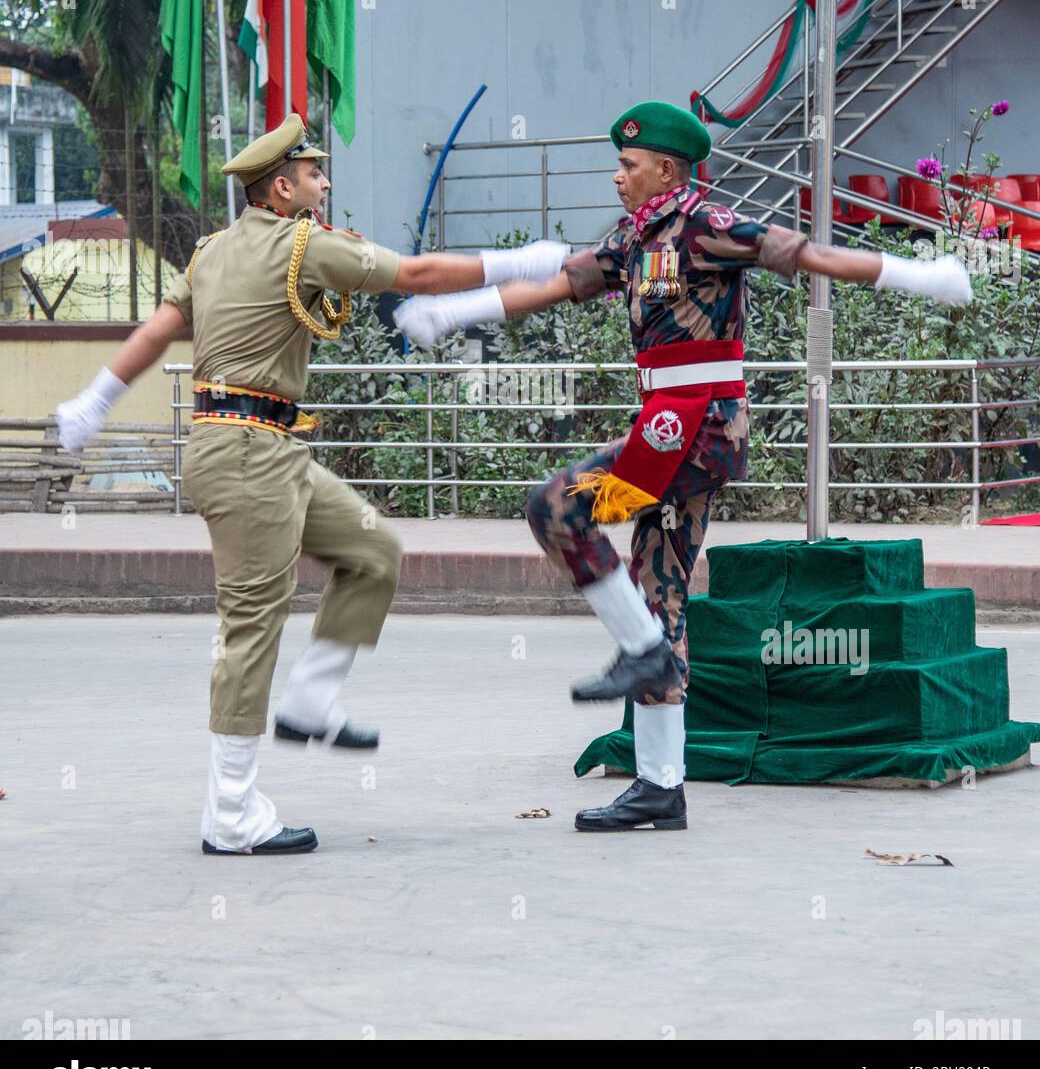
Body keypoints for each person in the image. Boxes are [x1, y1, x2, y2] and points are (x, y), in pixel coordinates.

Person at [395, 100, 971, 833]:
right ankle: (660, 787)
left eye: (629, 166)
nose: (617, 177)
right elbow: (556, 283)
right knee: (658, 591)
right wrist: (455, 313)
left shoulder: (705, 225)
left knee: (557, 509)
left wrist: (919, 277)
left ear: (666, 169)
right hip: (670, 429)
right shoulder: (637, 239)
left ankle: (639, 653)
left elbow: (804, 253)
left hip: (695, 428)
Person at [56, 114, 568, 856]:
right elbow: (416, 274)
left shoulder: (210, 253)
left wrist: (97, 397)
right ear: (280, 187)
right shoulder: (303, 243)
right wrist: (517, 262)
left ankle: (312, 700)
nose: (326, 185)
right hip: (247, 453)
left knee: (374, 554)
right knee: (250, 627)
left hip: (267, 447)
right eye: (315, 175)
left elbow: (160, 329)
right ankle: (231, 814)